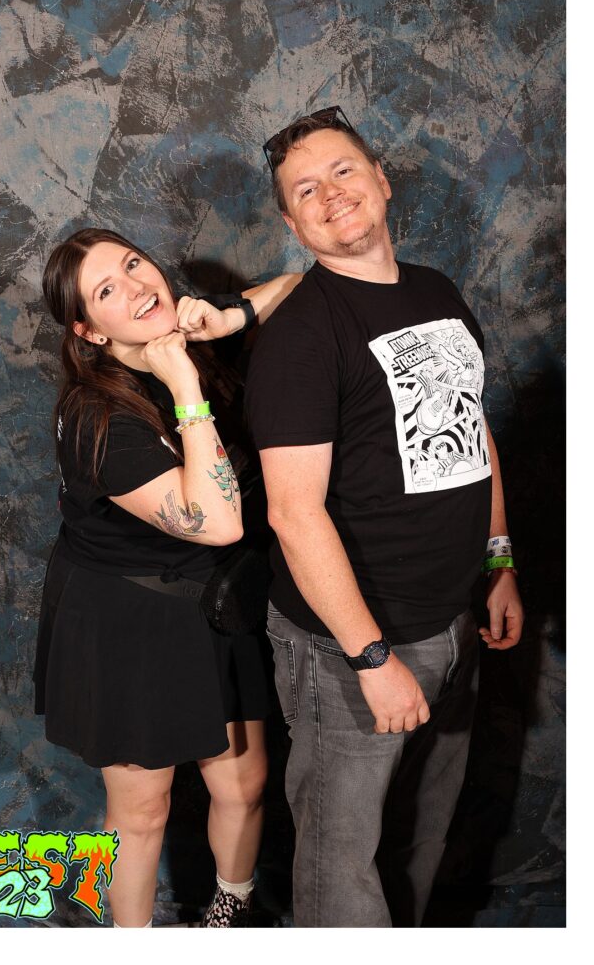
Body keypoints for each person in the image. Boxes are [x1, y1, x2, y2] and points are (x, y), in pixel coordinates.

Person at [244, 107, 524, 927]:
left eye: (342, 171)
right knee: (340, 871)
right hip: (354, 647)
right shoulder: (301, 336)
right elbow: (293, 515)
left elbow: (471, 431)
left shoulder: (435, 290)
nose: (330, 194)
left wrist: (498, 560)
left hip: (453, 620)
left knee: (418, 841)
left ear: (380, 179)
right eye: (305, 190)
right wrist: (370, 658)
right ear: (291, 224)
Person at [33, 227, 300, 928]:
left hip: (214, 603)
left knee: (245, 784)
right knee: (142, 810)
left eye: (132, 263)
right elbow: (217, 521)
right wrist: (185, 385)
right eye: (107, 290)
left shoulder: (184, 332)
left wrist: (230, 318)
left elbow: (304, 284)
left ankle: (228, 912)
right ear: (90, 331)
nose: (136, 286)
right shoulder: (94, 419)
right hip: (129, 621)